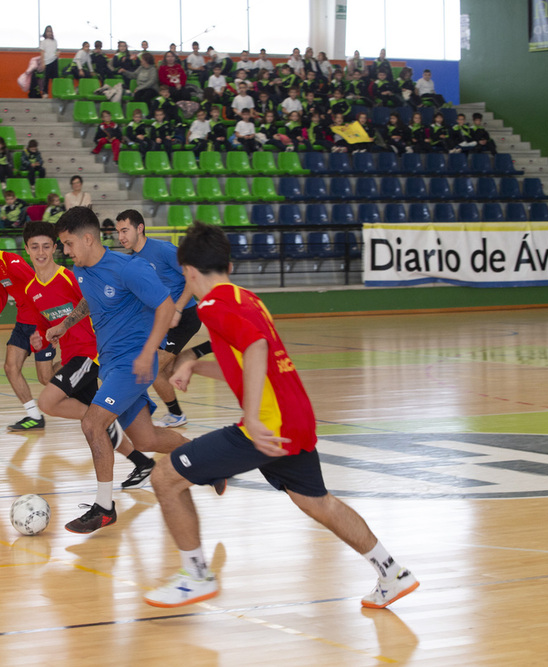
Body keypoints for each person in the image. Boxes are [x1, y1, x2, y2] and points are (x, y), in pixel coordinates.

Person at [142, 222, 420, 610]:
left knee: (165, 477)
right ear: (229, 266)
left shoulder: (213, 305)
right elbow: (247, 364)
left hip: (268, 424)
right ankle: (392, 572)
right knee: (317, 502)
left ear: (187, 271)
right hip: (296, 417)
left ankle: (196, 575)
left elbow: (255, 348)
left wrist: (252, 418)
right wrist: (193, 367)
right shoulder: (247, 298)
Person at [47, 207, 189, 533]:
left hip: (133, 362)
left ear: (87, 239)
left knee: (92, 423)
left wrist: (149, 353)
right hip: (110, 363)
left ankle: (104, 507)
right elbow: (89, 302)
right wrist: (65, 325)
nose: (65, 252)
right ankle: (204, 457)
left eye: (68, 244)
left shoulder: (129, 269)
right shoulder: (82, 270)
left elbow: (166, 307)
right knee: (146, 438)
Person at [21, 220, 157, 489]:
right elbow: (42, 327)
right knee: (94, 422)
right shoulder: (31, 290)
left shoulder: (70, 276)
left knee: (48, 402)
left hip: (89, 353)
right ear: (26, 249)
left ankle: (103, 415)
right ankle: (142, 462)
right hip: (72, 355)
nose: (40, 252)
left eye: (46, 246)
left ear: (55, 248)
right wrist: (39, 341)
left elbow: (94, 302)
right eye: (34, 247)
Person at [114, 209, 199, 428]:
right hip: (162, 320)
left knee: (152, 368)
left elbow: (193, 276)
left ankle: (175, 414)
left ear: (139, 228)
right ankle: (187, 363)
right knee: (160, 370)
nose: (120, 237)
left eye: (125, 230)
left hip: (184, 316)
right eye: (118, 232)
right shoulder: (132, 260)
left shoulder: (163, 249)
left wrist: (178, 308)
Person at [0, 221, 56, 431]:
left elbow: (39, 286)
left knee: (46, 378)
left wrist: (45, 324)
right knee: (10, 368)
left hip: (38, 323)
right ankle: (34, 416)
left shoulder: (13, 262)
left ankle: (82, 367)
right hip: (22, 322)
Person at [39, 26, 59, 96]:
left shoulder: (55, 41)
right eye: (48, 31)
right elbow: (42, 53)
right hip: (47, 61)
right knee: (46, 78)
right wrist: (43, 62)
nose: (49, 33)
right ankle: (45, 93)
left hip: (54, 60)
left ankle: (56, 92)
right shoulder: (43, 42)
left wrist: (57, 54)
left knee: (55, 78)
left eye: (50, 31)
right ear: (45, 33)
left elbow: (56, 50)